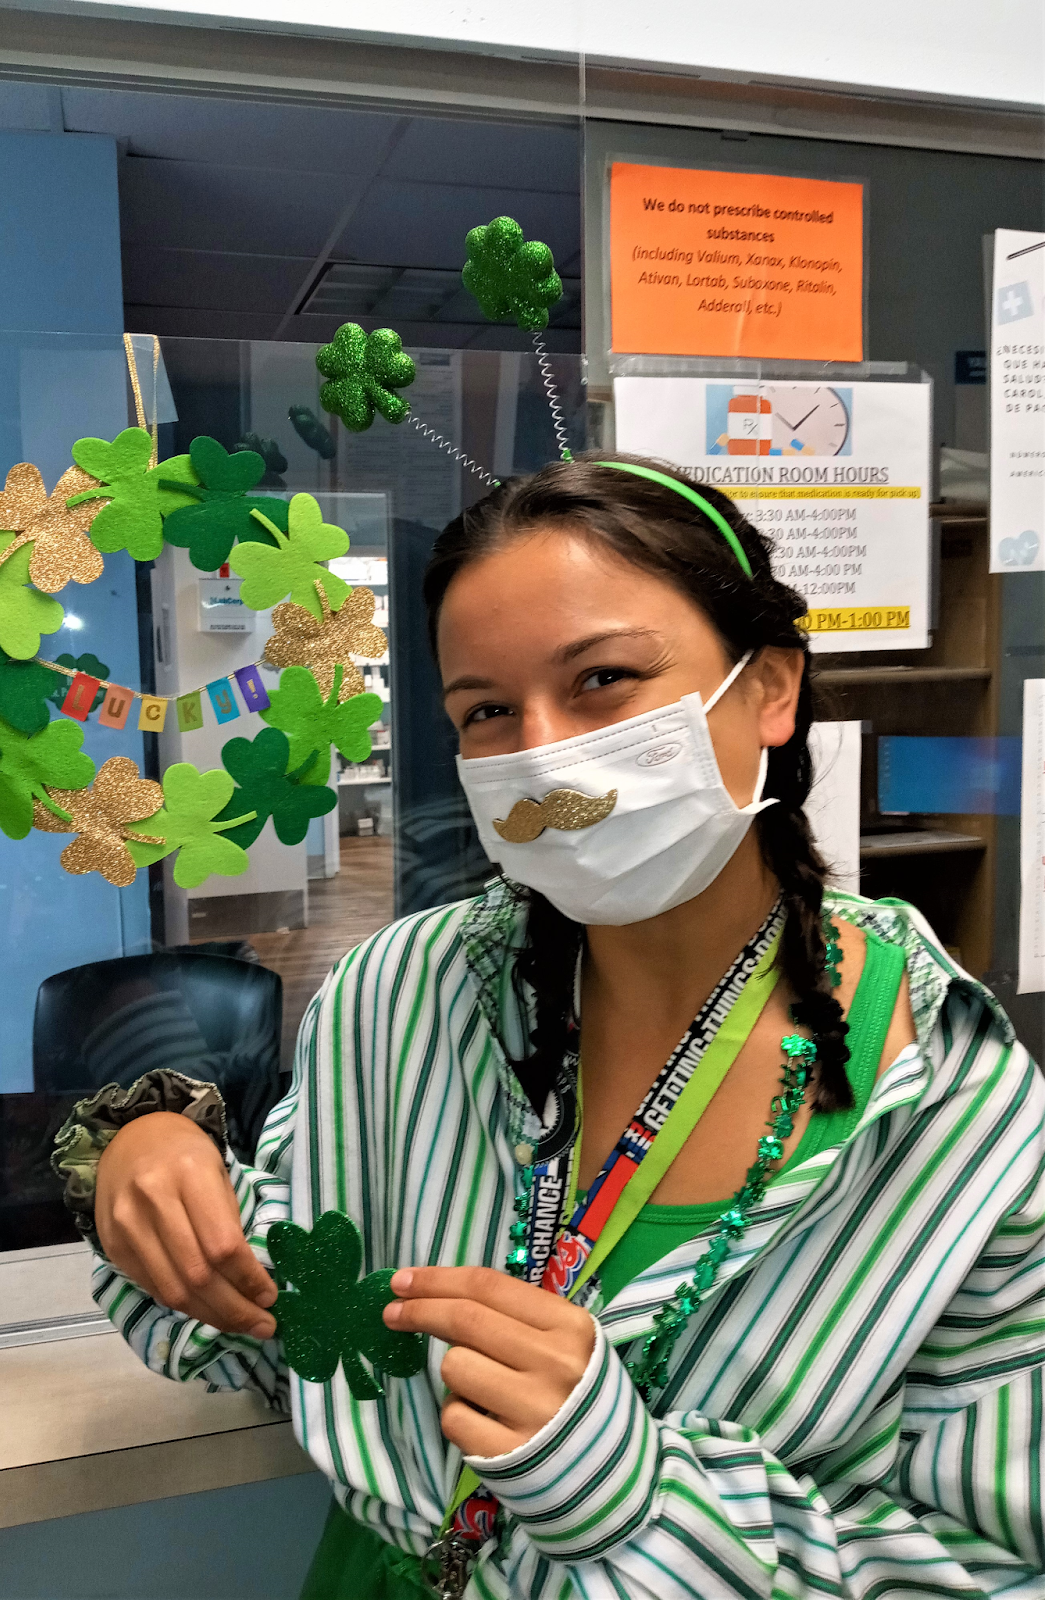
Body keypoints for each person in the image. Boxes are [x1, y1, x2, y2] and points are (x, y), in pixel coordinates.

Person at [55, 455, 1045, 1599]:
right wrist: (139, 1149)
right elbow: (278, 1322)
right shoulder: (398, 1001)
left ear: (768, 688)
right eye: (484, 710)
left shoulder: (943, 1106)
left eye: (603, 679)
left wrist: (626, 1492)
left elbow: (993, 1558)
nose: (540, 754)